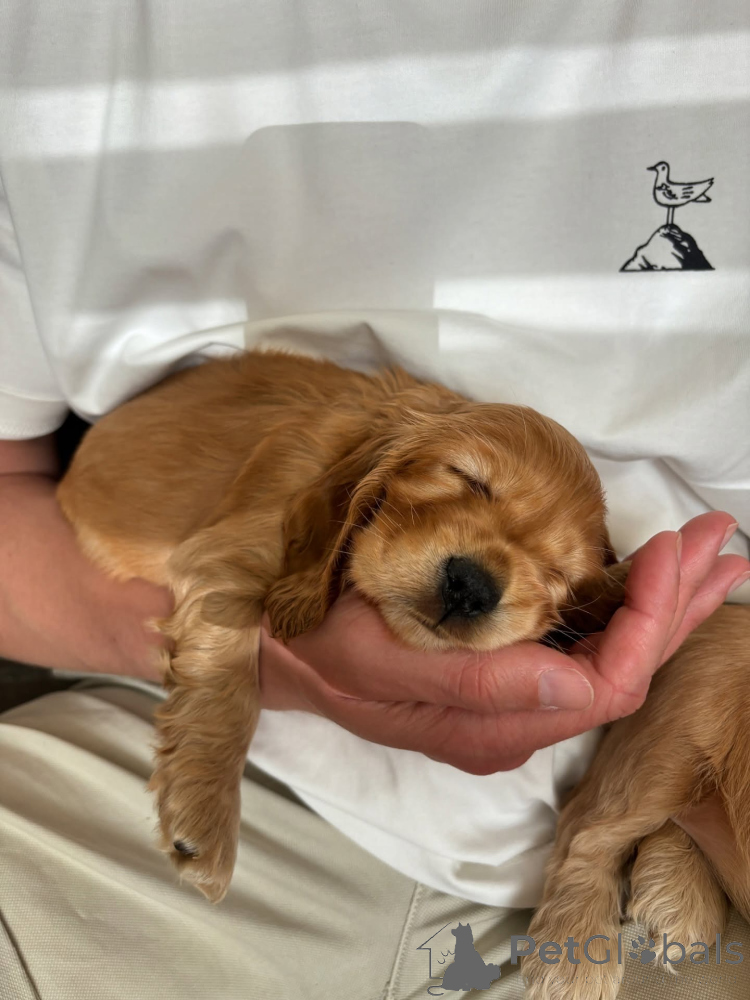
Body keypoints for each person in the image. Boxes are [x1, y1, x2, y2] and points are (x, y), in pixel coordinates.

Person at [1, 3, 749, 999]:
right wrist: (277, 667)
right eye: (467, 484)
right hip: (158, 768)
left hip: (680, 800)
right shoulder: (51, 39)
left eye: (559, 572)